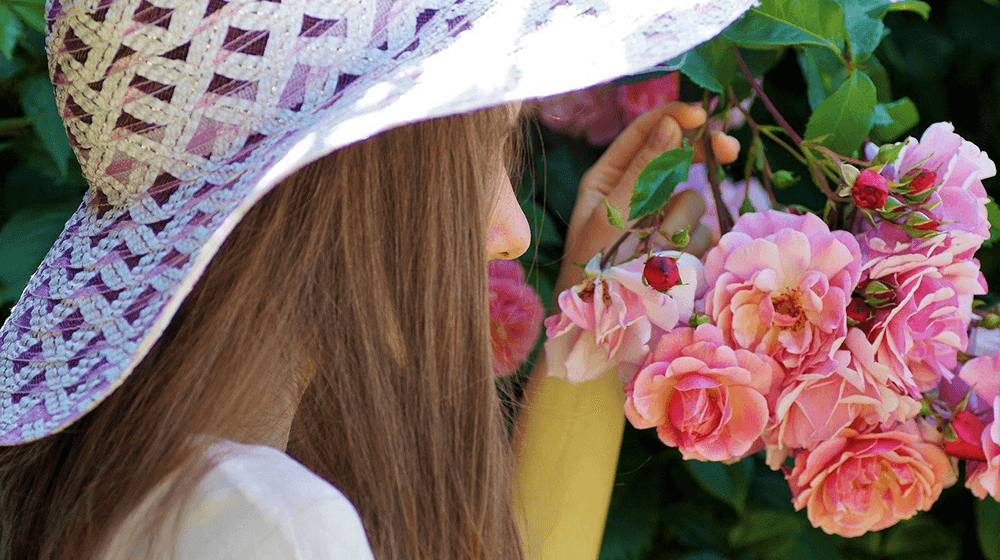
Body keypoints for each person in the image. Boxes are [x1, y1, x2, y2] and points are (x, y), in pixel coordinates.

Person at [0, 1, 748, 559]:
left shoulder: (150, 489)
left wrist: (601, 301)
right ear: (346, 180)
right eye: (479, 154)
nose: (514, 233)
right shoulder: (271, 527)